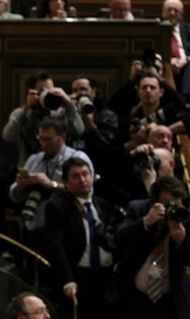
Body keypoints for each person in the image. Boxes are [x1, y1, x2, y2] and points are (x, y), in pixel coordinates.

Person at [44, 157, 118, 319]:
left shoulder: (103, 205)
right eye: (75, 176)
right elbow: (56, 246)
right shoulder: (58, 206)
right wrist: (67, 279)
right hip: (79, 277)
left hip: (107, 277)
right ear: (66, 182)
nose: (82, 180)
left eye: (85, 174)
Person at [114, 176, 190, 319]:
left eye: (177, 204)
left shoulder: (184, 218)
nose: (173, 209)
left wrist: (182, 241)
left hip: (171, 301)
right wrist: (146, 222)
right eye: (168, 205)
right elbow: (119, 237)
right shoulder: (139, 209)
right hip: (135, 298)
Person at [3, 71, 85, 160]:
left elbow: (78, 131)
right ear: (31, 92)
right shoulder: (22, 113)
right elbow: (8, 136)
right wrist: (26, 109)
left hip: (60, 166)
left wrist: (68, 103)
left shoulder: (61, 113)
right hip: (31, 165)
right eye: (42, 91)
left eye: (50, 90)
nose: (47, 94)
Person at [70, 74, 118, 198]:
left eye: (83, 90)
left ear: (94, 91)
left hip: (101, 175)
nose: (79, 94)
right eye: (75, 91)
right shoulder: (69, 115)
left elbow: (106, 147)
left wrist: (89, 123)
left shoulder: (107, 116)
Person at [162, 0, 190, 98]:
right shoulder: (156, 30)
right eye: (169, 10)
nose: (172, 13)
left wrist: (186, 60)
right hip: (163, 65)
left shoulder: (188, 29)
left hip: (186, 66)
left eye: (176, 11)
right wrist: (167, 61)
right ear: (163, 12)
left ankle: (186, 101)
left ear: (182, 15)